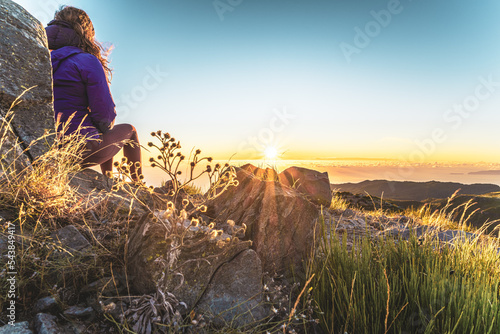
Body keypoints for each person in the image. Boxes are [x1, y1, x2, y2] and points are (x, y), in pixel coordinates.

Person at [45, 6, 142, 181]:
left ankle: (108, 178)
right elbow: (105, 115)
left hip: (45, 147)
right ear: (86, 32)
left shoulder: (43, 57)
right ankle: (139, 185)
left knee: (100, 127)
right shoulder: (87, 60)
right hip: (78, 149)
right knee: (129, 131)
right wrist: (102, 126)